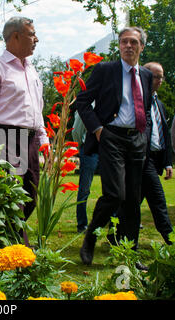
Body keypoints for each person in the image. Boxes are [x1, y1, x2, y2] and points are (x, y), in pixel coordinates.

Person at [76, 26, 153, 268]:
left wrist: (145, 135)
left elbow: (147, 109)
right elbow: (82, 102)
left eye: (133, 42)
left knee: (132, 199)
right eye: (124, 42)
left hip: (137, 139)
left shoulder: (147, 75)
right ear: (119, 46)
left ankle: (129, 253)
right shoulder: (105, 70)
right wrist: (98, 130)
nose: (128, 46)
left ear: (141, 46)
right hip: (111, 137)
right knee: (114, 194)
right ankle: (90, 238)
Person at [0, 16, 48, 246]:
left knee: (31, 195)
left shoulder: (32, 70)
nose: (36, 39)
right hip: (6, 139)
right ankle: (18, 251)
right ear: (15, 36)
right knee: (14, 197)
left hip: (31, 140)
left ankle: (5, 239)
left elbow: (38, 110)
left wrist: (44, 140)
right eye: (31, 34)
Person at [138, 62, 173, 245]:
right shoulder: (137, 101)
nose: (159, 80)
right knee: (158, 200)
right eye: (155, 76)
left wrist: (168, 163)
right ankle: (170, 239)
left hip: (156, 159)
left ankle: (115, 234)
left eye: (161, 77)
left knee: (133, 202)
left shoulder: (159, 103)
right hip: (142, 159)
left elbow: (164, 134)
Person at [72, 110, 99, 233]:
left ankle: (112, 222)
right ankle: (82, 224)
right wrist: (81, 145)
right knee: (84, 189)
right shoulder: (89, 104)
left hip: (108, 149)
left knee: (112, 188)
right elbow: (76, 130)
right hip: (89, 150)